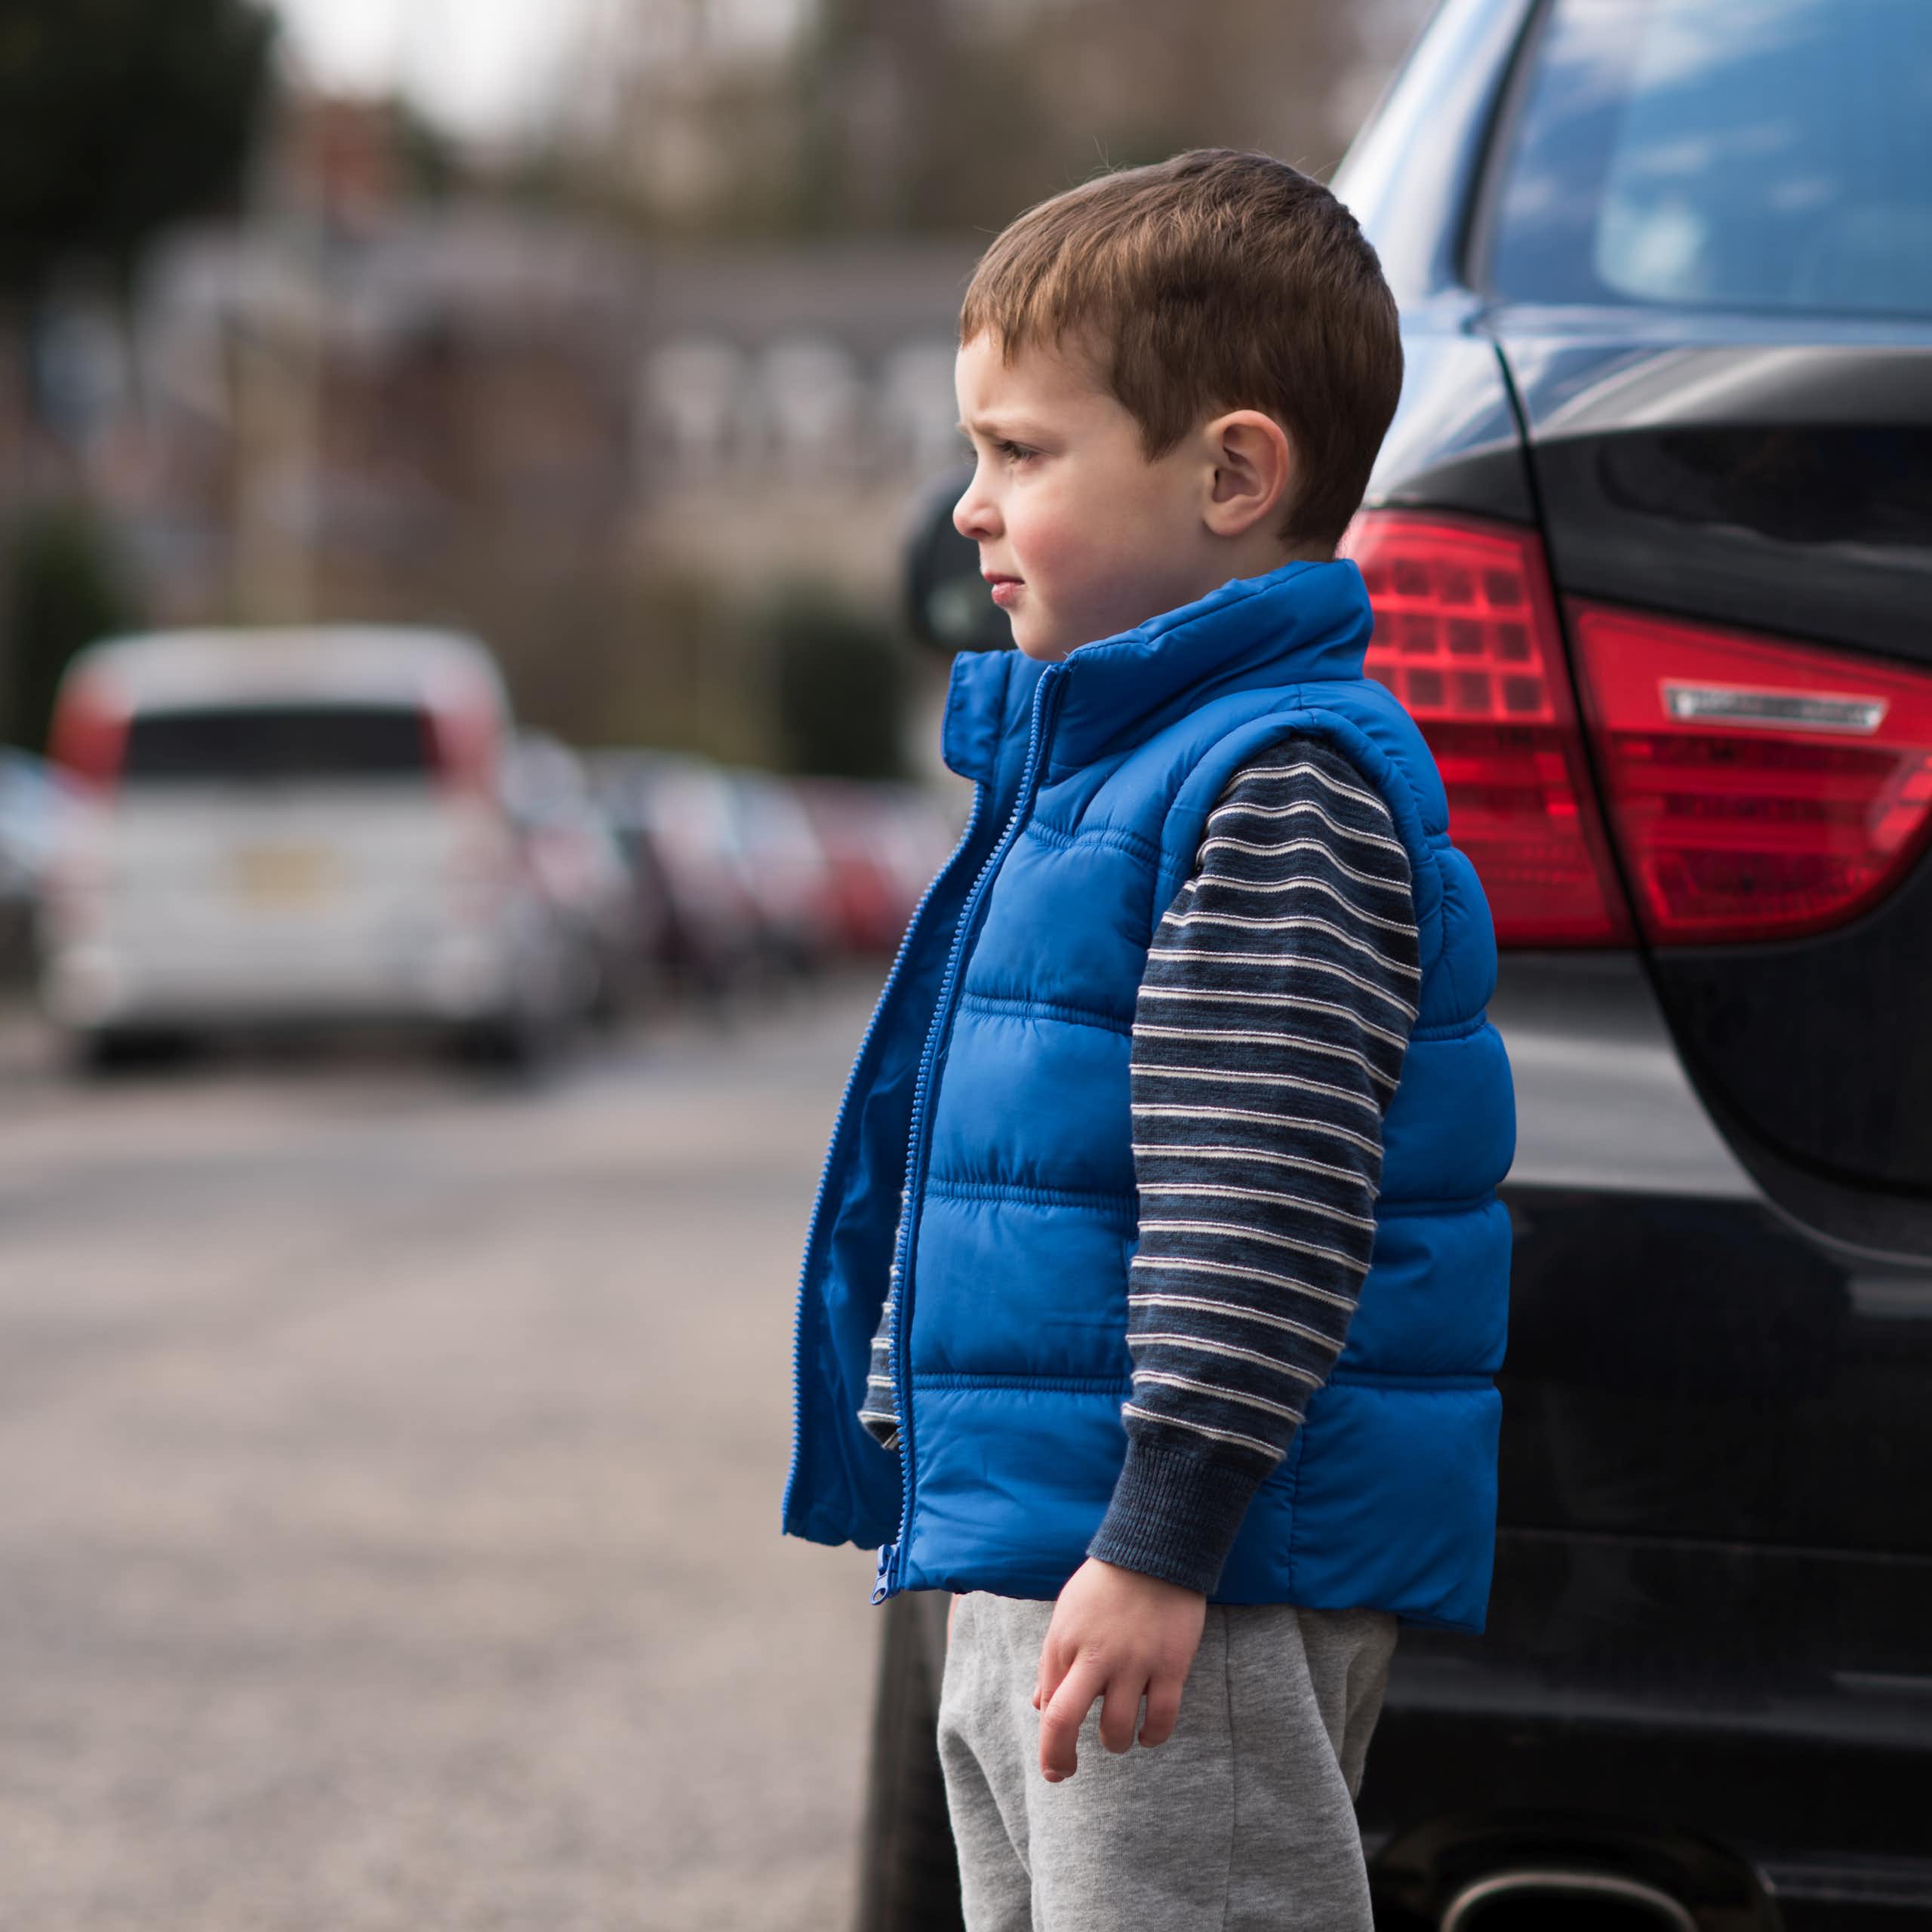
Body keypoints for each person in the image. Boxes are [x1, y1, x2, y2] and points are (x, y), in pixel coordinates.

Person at [783, 148, 1514, 1930]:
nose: (968, 505)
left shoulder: (1271, 788)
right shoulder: (1089, 774)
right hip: (1050, 1551)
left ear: (1230, 474)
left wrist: (1160, 1530)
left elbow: (1260, 1198)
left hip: (1192, 1577)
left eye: (1019, 452)